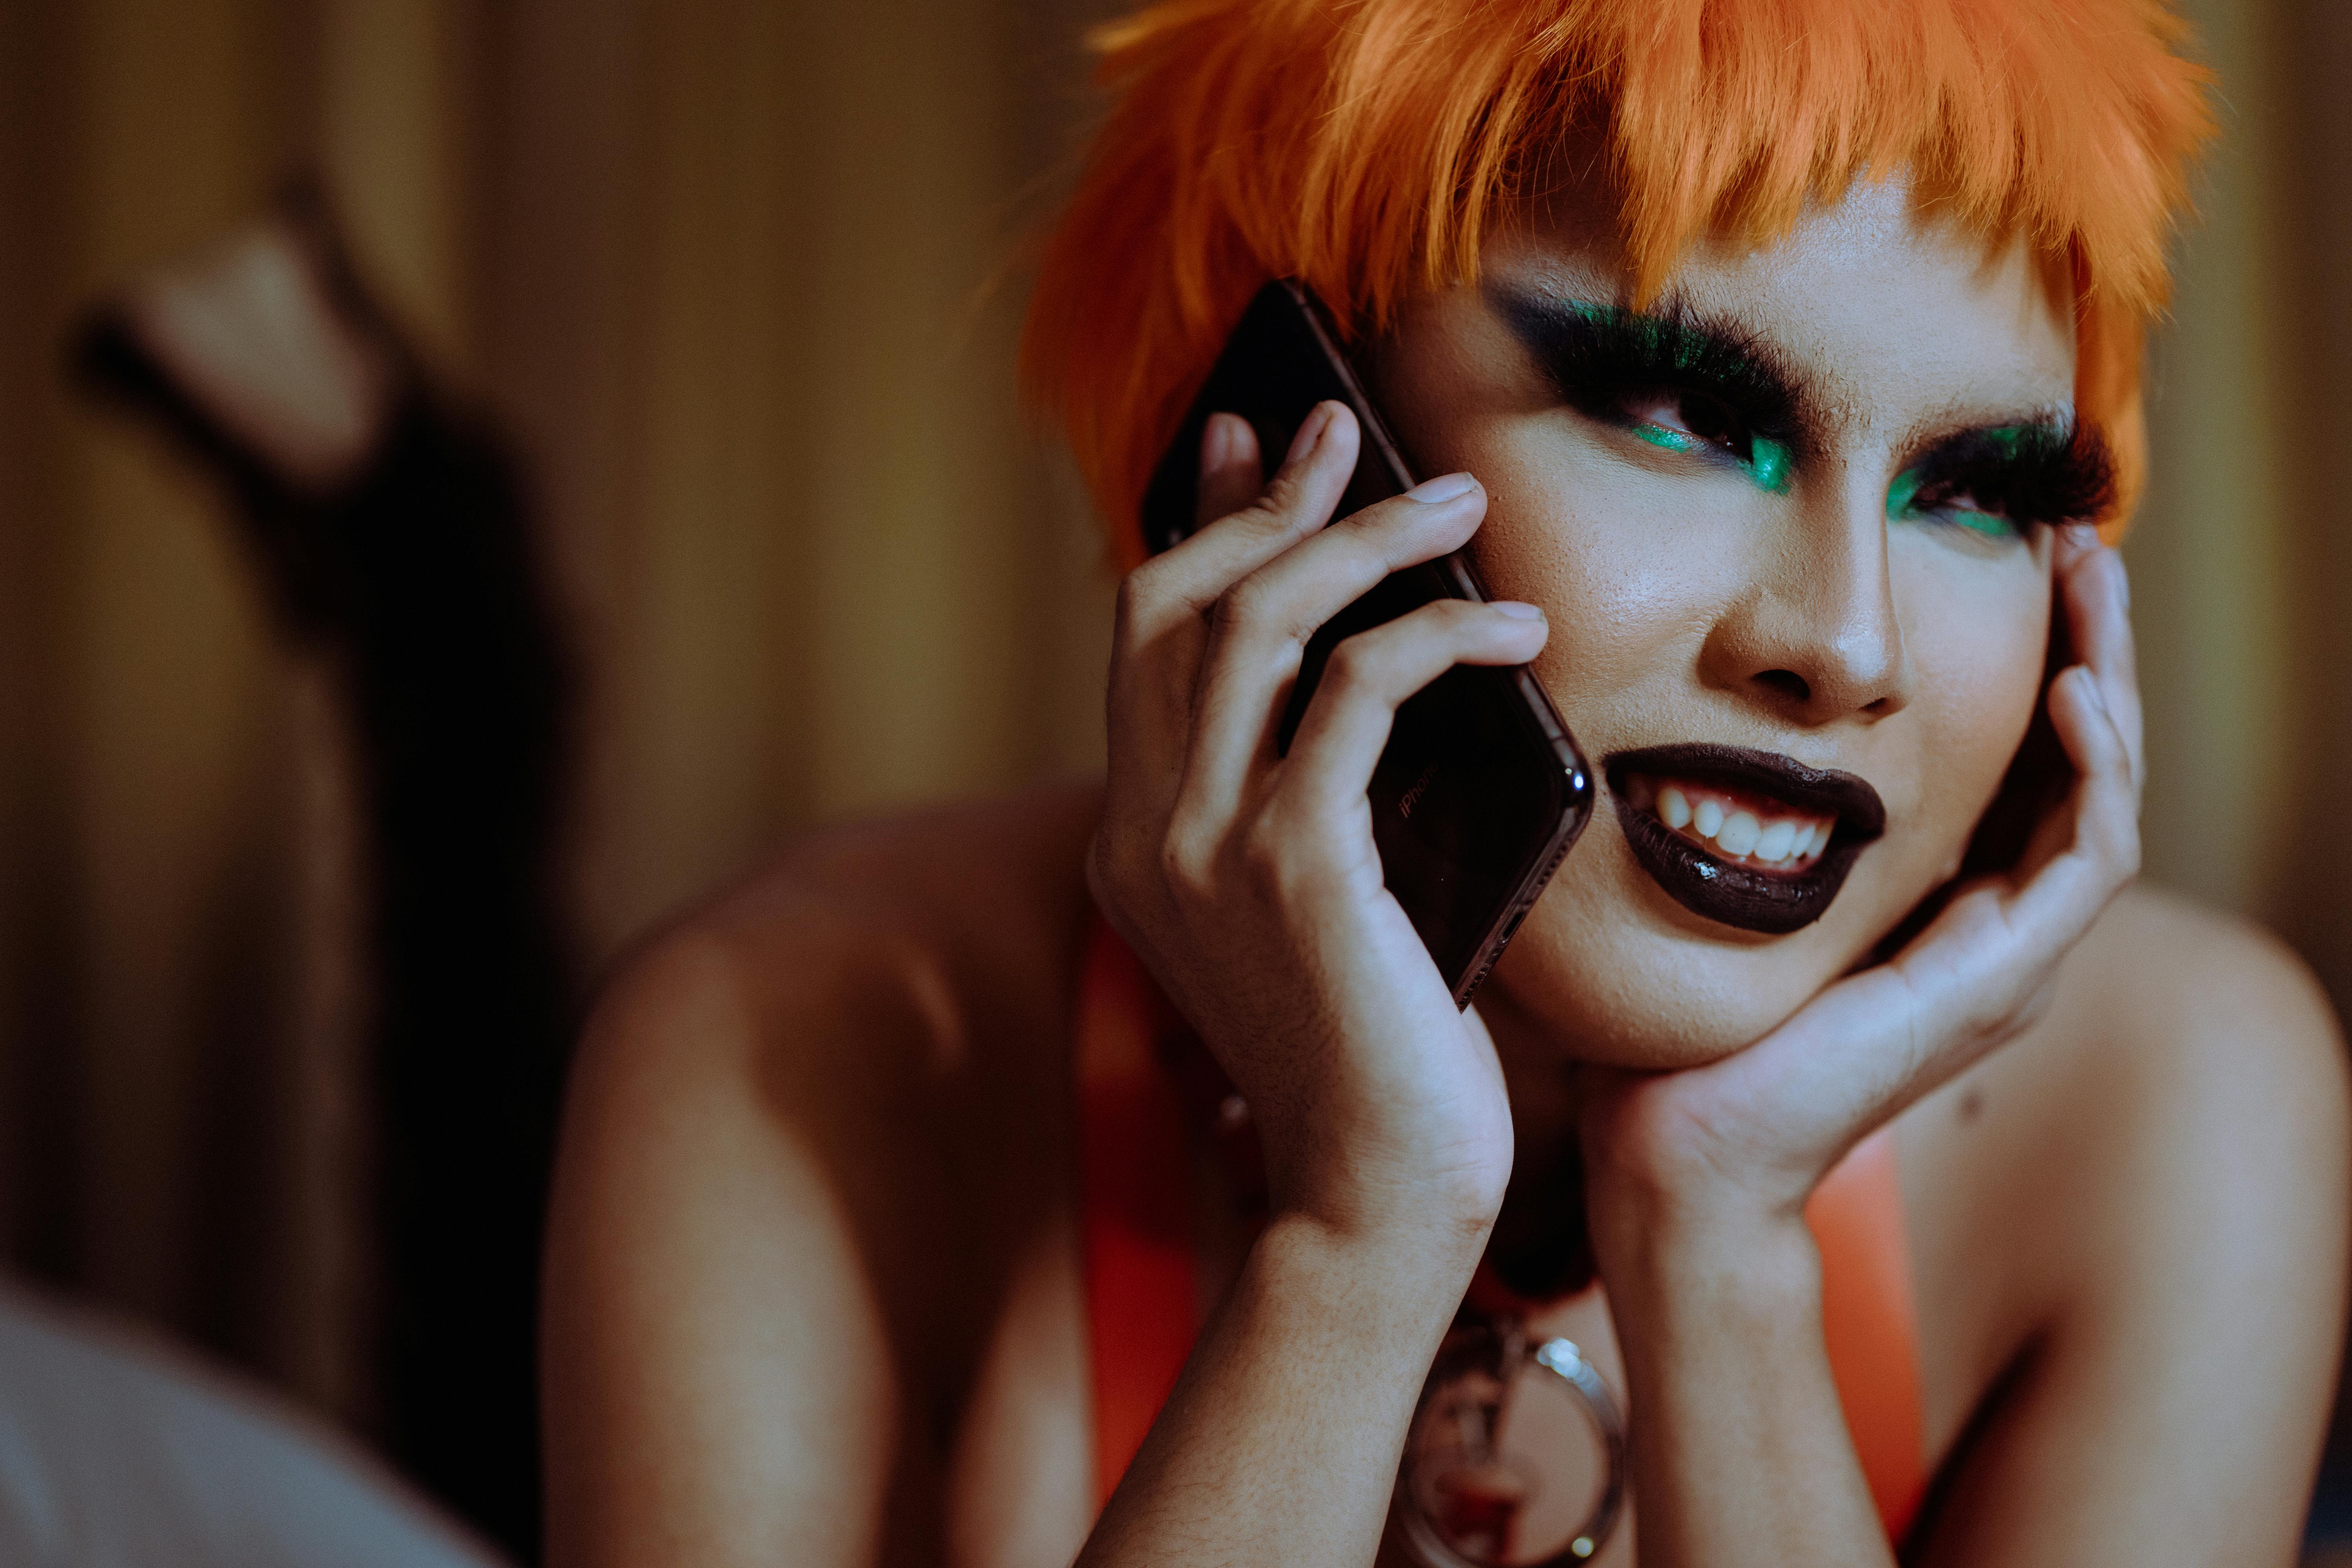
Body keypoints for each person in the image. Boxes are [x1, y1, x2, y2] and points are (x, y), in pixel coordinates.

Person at [541, 2, 2350, 1565]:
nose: (1848, 645)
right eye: (1680, 416)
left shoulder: (2173, 1106)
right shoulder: (800, 1056)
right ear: (1281, 438)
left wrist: (1720, 1238)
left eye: (1976, 492)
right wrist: (1357, 1237)